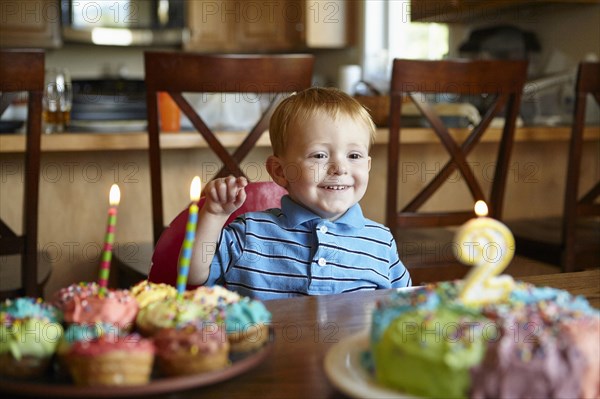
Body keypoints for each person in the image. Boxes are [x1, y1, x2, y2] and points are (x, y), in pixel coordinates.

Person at [189, 87, 411, 300]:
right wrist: (214, 215)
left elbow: (408, 303)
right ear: (280, 171)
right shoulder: (250, 233)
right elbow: (193, 274)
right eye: (319, 155)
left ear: (368, 165)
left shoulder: (381, 241)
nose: (340, 168)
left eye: (354, 156)